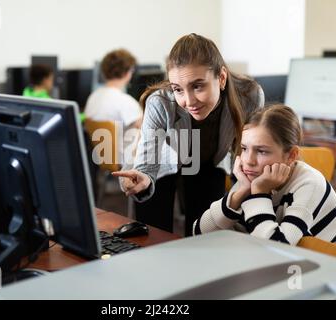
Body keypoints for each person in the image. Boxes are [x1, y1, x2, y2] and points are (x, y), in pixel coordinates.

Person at [113, 33, 264, 235]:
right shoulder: (160, 102)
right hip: (165, 162)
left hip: (209, 161)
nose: (189, 101)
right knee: (154, 233)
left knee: (206, 233)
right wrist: (144, 177)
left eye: (198, 86)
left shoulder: (249, 96)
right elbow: (148, 163)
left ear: (221, 78)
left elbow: (247, 149)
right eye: (178, 89)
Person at [193, 104, 336, 247]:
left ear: (291, 156)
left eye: (261, 151)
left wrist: (260, 193)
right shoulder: (252, 179)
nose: (248, 161)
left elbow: (276, 248)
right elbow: (199, 233)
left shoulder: (309, 184)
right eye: (244, 148)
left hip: (326, 272)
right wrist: (239, 194)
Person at [84, 49, 143, 165]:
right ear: (127, 73)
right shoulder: (126, 102)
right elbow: (149, 130)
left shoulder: (93, 97)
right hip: (127, 164)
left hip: (103, 162)